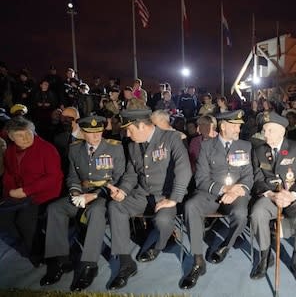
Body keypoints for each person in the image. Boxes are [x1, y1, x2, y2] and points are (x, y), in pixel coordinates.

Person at [106, 109, 191, 290]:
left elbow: (184, 169)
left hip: (165, 196)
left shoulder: (171, 138)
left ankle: (158, 246)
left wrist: (174, 199)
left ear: (143, 126)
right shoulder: (132, 145)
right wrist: (122, 191)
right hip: (142, 195)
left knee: (162, 221)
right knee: (115, 206)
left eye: (130, 130)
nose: (127, 134)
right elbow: (131, 175)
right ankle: (126, 263)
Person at [40, 116, 125, 291]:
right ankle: (60, 260)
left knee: (96, 212)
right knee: (55, 209)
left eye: (99, 132)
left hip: (104, 194)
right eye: (91, 133)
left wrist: (94, 195)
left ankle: (89, 265)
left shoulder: (115, 148)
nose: (96, 136)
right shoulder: (75, 149)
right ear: (83, 133)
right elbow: (72, 176)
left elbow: (119, 179)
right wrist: (75, 191)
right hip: (82, 192)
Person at [179, 110, 253, 290]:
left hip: (237, 194)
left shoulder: (245, 145)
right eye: (234, 125)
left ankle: (226, 244)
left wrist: (235, 192)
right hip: (212, 193)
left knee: (241, 214)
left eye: (239, 125)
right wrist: (223, 189)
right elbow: (202, 179)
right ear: (223, 126)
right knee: (190, 206)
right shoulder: (207, 146)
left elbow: (248, 177)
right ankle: (198, 261)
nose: (238, 129)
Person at [250, 111, 296, 288]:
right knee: (257, 213)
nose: (265, 134)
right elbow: (256, 180)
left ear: (281, 131)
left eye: (269, 130)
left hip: (294, 196)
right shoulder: (258, 151)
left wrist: (291, 195)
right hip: (271, 196)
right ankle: (265, 256)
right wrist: (272, 195)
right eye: (264, 130)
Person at [0, 117, 63, 265]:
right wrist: (8, 193)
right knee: (4, 219)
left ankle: (38, 253)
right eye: (20, 136)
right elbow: (9, 174)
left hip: (44, 195)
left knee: (24, 221)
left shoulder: (47, 149)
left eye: (28, 133)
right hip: (21, 194)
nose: (26, 138)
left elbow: (54, 177)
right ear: (11, 137)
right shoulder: (10, 151)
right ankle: (32, 243)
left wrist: (26, 191)